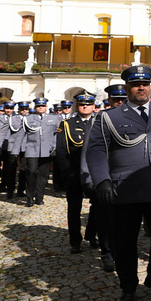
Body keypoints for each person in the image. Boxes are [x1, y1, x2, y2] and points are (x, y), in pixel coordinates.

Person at [85, 65, 151, 301]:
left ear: (150, 87)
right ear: (127, 88)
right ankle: (128, 286)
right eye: (136, 85)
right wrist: (102, 180)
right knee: (124, 242)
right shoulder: (109, 117)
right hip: (125, 189)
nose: (141, 88)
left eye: (145, 84)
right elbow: (96, 150)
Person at [56, 93, 103, 257]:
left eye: (88, 104)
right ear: (77, 106)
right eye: (82, 104)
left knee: (98, 206)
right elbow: (62, 152)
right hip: (74, 173)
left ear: (93, 106)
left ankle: (91, 234)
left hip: (95, 173)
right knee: (74, 209)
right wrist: (67, 174)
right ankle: (75, 241)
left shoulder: (99, 123)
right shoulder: (67, 124)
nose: (85, 107)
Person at [20, 98, 60, 208]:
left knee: (43, 175)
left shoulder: (54, 118)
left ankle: (39, 197)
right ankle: (29, 197)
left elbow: (57, 133)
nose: (41, 107)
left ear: (46, 107)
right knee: (31, 172)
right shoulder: (28, 119)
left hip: (47, 150)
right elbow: (22, 134)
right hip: (32, 149)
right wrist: (18, 149)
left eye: (43, 106)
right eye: (38, 106)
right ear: (35, 107)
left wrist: (54, 146)